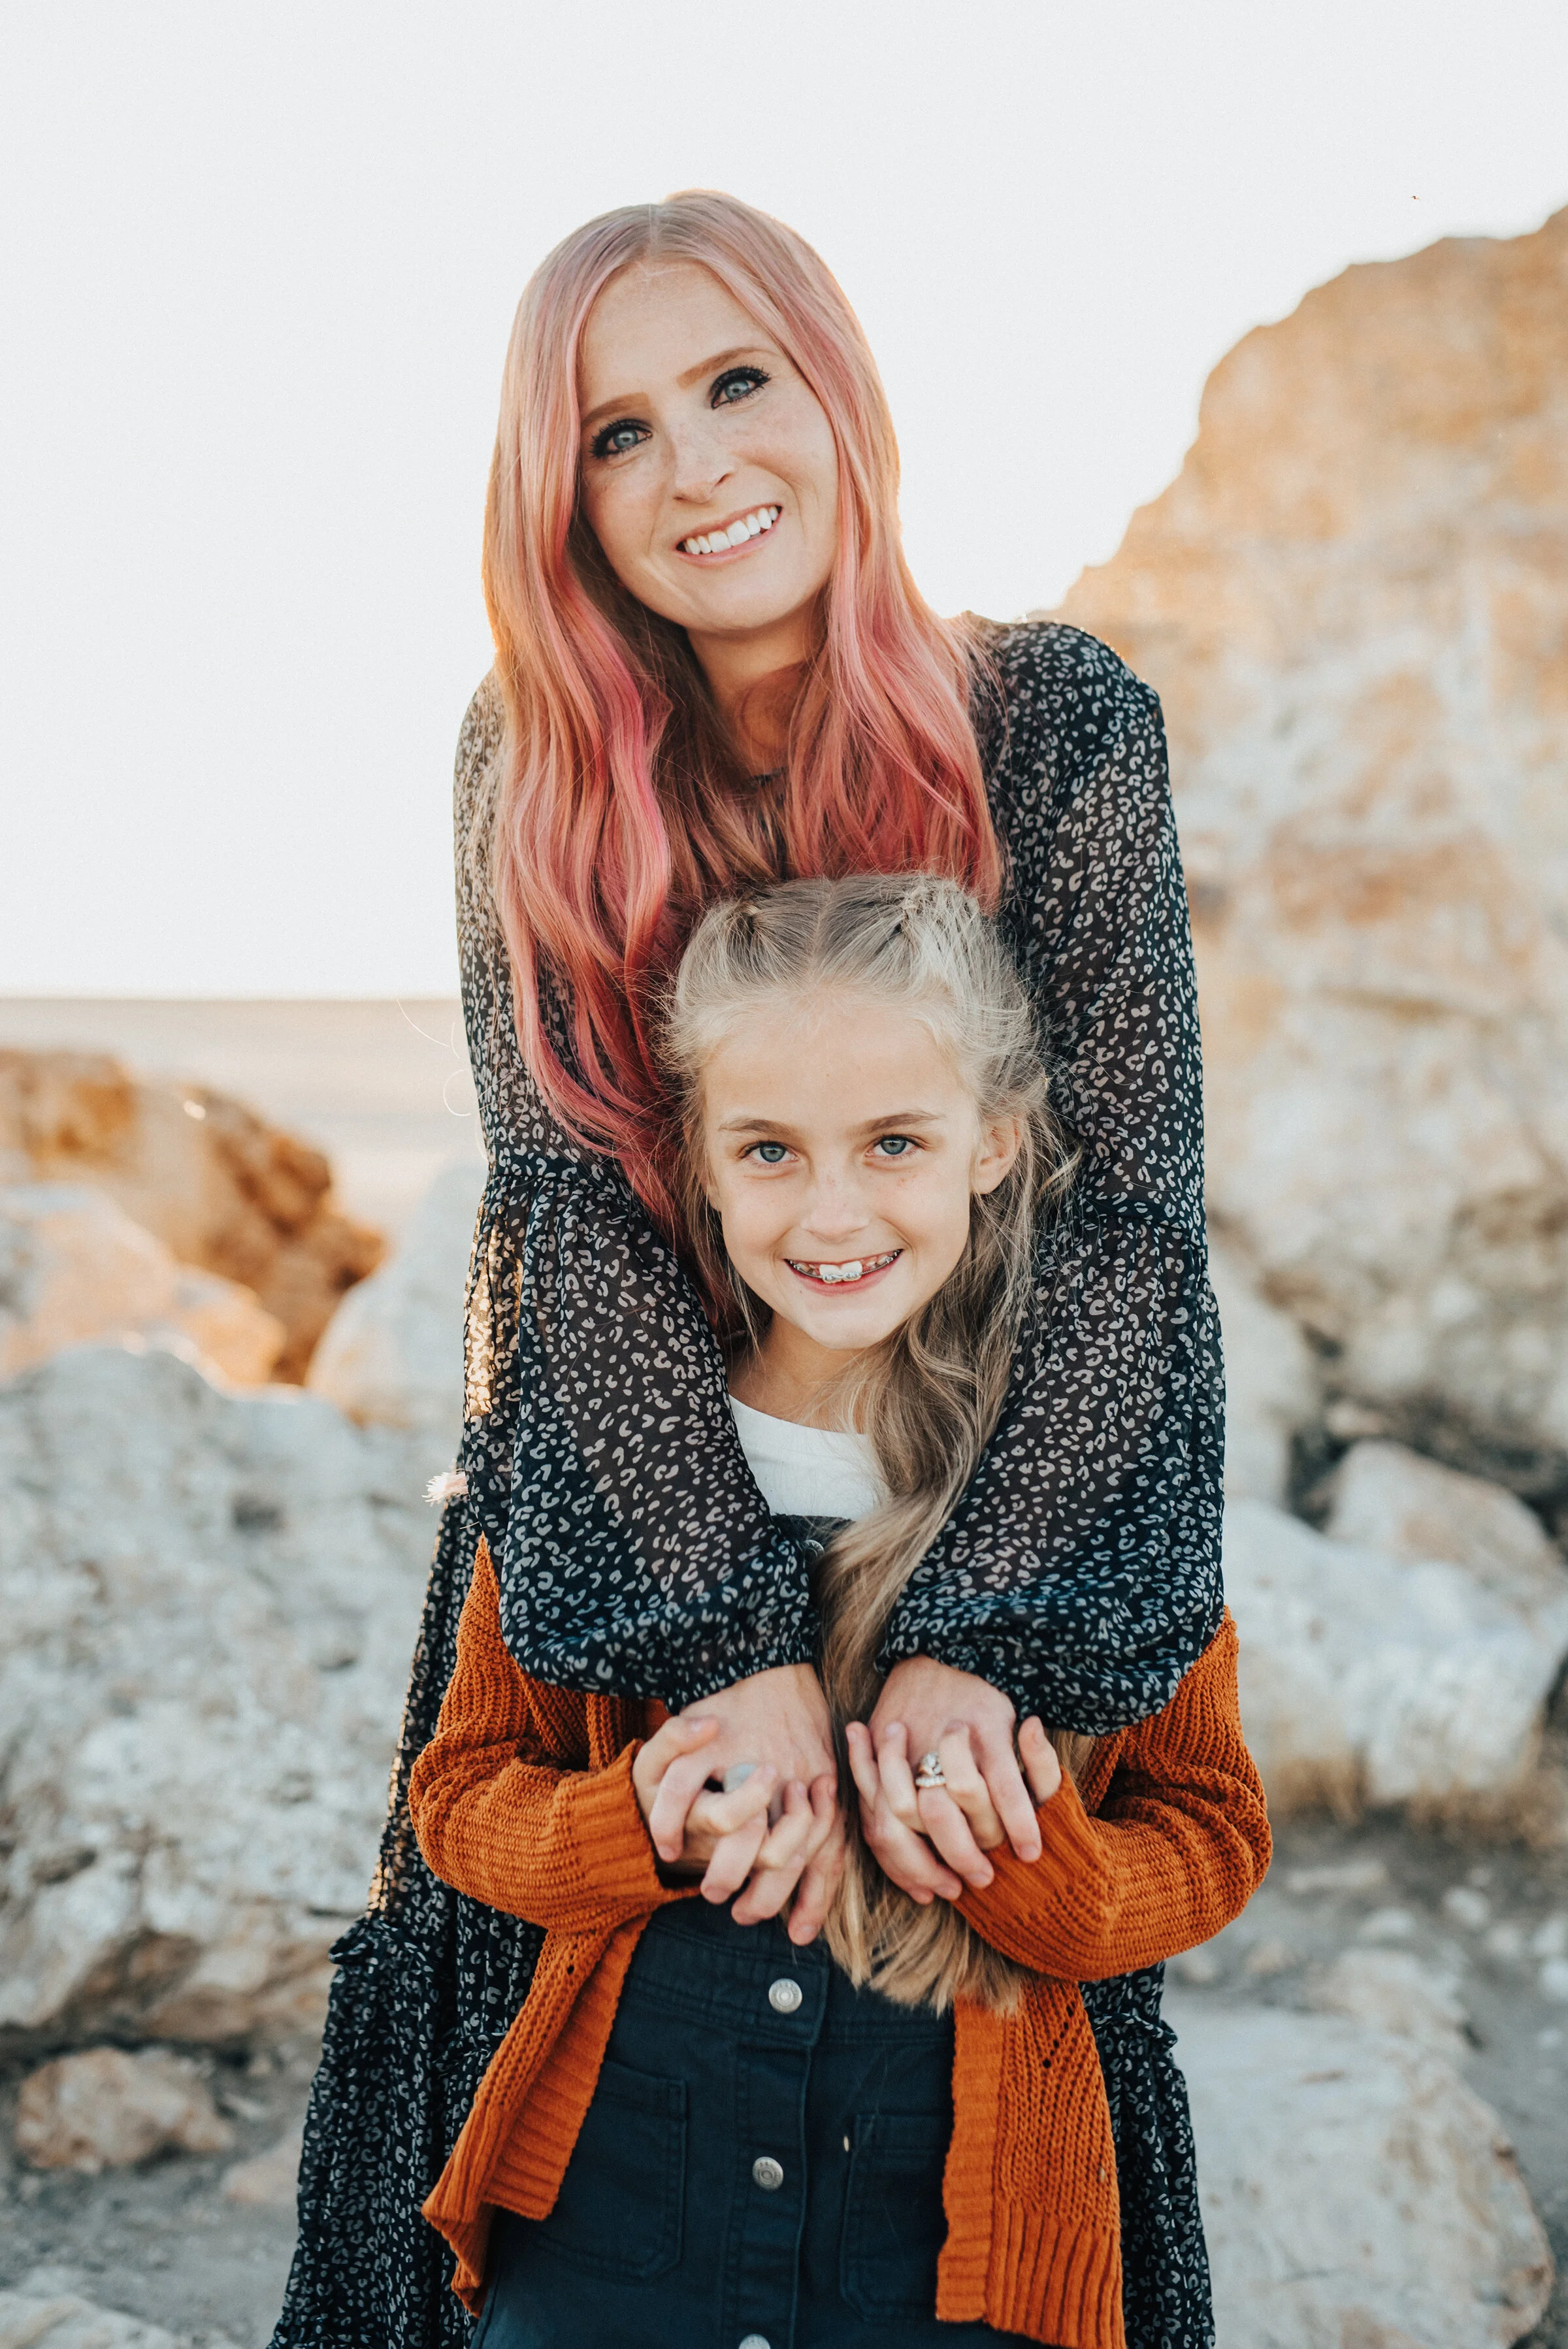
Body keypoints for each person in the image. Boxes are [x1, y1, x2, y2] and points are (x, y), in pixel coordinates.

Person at [272, 192, 1226, 2349]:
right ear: (563, 493)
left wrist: (990, 1638)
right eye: (614, 432)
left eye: (733, 383)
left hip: (977, 1502)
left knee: (975, 2158)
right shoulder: (528, 758)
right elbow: (566, 1193)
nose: (693, 467)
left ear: (837, 391)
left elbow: (1127, 1205)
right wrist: (713, 1641)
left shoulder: (1057, 722)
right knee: (557, 2150)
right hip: (629, 1543)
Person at [405, 878, 1268, 2348]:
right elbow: (462, 1798)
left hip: (945, 2260)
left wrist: (1045, 1875)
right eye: (769, 1151)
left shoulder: (1080, 1473)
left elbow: (1211, 1825)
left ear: (992, 1143)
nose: (834, 1210)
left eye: (894, 1143)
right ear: (702, 1165)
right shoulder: (606, 1457)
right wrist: (637, 1824)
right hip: (616, 2235)